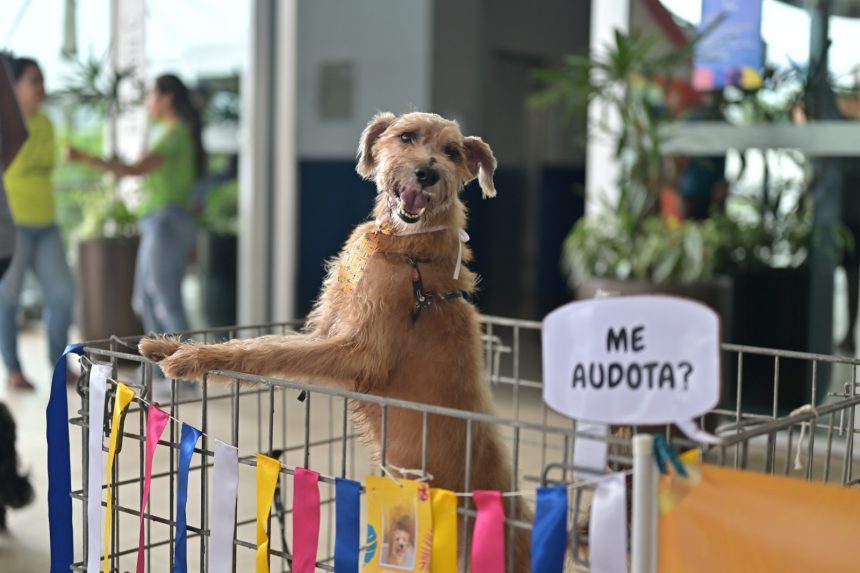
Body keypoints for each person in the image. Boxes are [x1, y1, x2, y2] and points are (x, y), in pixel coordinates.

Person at [67, 73, 204, 347]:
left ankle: (189, 374)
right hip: (158, 222)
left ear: (168, 98)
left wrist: (83, 158)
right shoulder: (170, 133)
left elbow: (133, 169)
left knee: (165, 299)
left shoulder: (174, 136)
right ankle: (160, 372)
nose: (148, 102)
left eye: (153, 95)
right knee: (144, 299)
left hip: (167, 222)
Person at [0, 56, 74, 391]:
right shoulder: (6, 122)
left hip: (46, 224)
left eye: (43, 80)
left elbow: (43, 161)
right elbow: (18, 159)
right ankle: (13, 369)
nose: (41, 88)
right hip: (12, 224)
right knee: (8, 299)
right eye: (34, 81)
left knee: (62, 295)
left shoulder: (45, 123)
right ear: (13, 86)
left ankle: (59, 365)